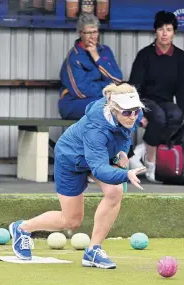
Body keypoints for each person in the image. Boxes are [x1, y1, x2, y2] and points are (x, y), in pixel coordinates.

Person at [9, 82, 147, 269]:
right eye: (127, 112)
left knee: (115, 192)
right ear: (114, 110)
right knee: (71, 221)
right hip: (71, 158)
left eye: (136, 111)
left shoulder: (130, 113)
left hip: (100, 154)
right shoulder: (95, 130)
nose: (132, 116)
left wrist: (122, 151)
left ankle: (93, 251)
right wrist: (126, 174)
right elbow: (98, 169)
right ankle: (22, 228)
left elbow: (125, 135)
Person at [128, 10, 184, 182]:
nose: (164, 33)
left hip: (166, 102)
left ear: (174, 33)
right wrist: (137, 113)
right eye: (161, 29)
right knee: (159, 117)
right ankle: (151, 166)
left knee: (176, 116)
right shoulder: (145, 55)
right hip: (145, 100)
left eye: (169, 29)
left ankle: (139, 151)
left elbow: (182, 87)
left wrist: (182, 109)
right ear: (155, 31)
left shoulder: (180, 57)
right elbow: (134, 86)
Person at [58, 13, 123, 120]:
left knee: (122, 106)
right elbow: (81, 91)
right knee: (108, 108)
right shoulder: (74, 57)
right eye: (88, 33)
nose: (92, 36)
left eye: (95, 32)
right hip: (73, 103)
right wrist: (106, 88)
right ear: (80, 33)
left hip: (102, 100)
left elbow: (117, 79)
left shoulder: (105, 51)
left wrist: (97, 57)